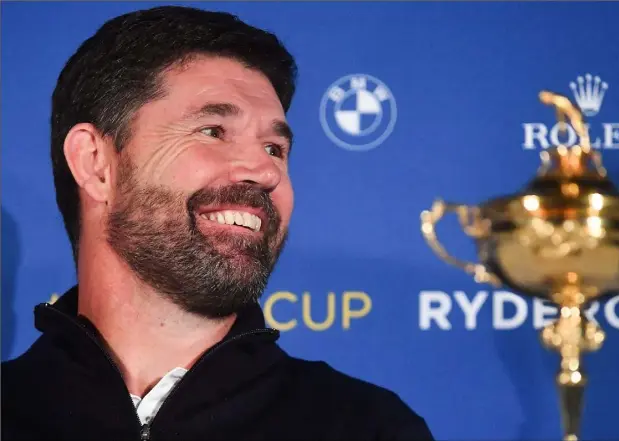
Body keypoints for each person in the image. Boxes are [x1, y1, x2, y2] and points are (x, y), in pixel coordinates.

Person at [1, 6, 434, 440]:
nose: (267, 173)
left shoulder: (367, 427)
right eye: (213, 131)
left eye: (274, 149)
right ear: (96, 164)